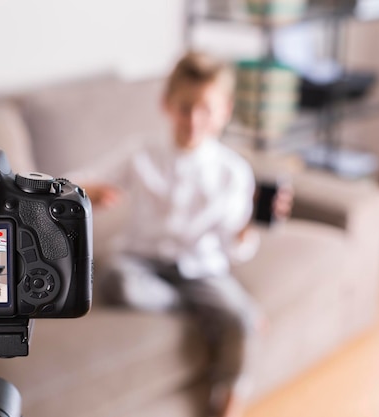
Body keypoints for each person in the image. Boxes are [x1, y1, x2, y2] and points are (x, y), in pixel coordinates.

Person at [76, 51, 291, 417]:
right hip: (139, 263)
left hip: (201, 269)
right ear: (167, 104)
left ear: (224, 110)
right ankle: (198, 311)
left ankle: (227, 401)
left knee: (241, 322)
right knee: (113, 277)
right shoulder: (140, 152)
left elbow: (234, 249)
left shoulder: (233, 172)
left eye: (205, 109)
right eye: (184, 107)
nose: (193, 120)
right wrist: (88, 192)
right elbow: (75, 180)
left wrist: (247, 226)